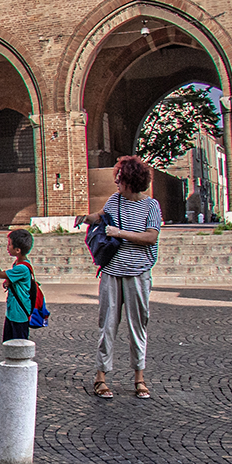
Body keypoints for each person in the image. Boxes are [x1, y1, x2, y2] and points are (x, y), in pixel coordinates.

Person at [72, 154, 162, 400]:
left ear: (131, 181)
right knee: (107, 325)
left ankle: (139, 378)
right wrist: (86, 218)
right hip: (111, 273)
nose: (116, 183)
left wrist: (120, 233)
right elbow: (101, 216)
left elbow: (151, 237)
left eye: (120, 179)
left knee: (138, 326)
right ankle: (101, 376)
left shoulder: (151, 206)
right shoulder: (115, 201)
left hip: (138, 274)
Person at [0, 229, 36, 341]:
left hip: (19, 314)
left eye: (9, 244)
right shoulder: (19, 264)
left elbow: (0, 274)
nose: (7, 247)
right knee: (8, 342)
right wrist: (9, 282)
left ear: (17, 250)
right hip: (13, 312)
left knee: (18, 345)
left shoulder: (22, 267)